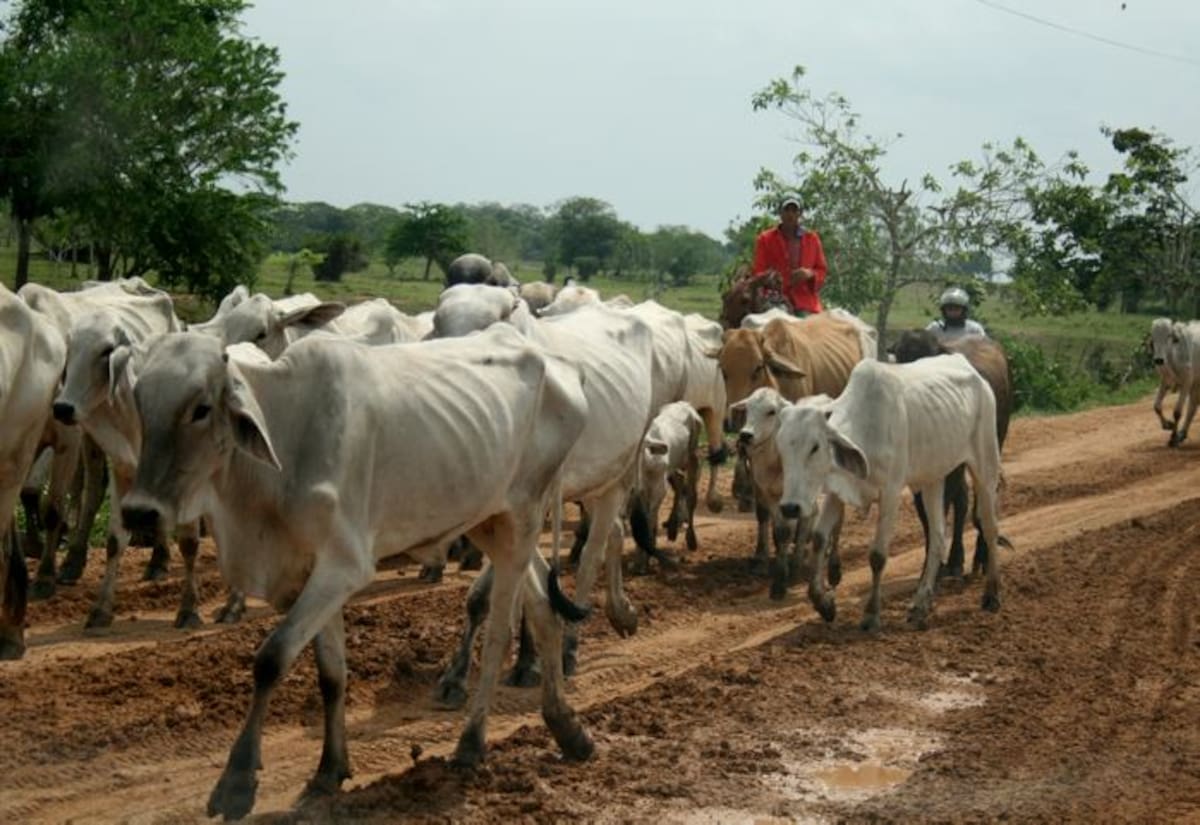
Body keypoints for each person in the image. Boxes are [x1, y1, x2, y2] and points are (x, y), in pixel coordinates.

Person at [748, 193, 828, 317]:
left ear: (800, 214)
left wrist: (809, 274)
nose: (790, 214)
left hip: (804, 301)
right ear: (780, 212)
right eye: (787, 210)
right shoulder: (765, 239)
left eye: (794, 210)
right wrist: (769, 277)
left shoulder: (812, 239)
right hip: (774, 300)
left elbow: (822, 271)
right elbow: (758, 272)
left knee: (812, 328)